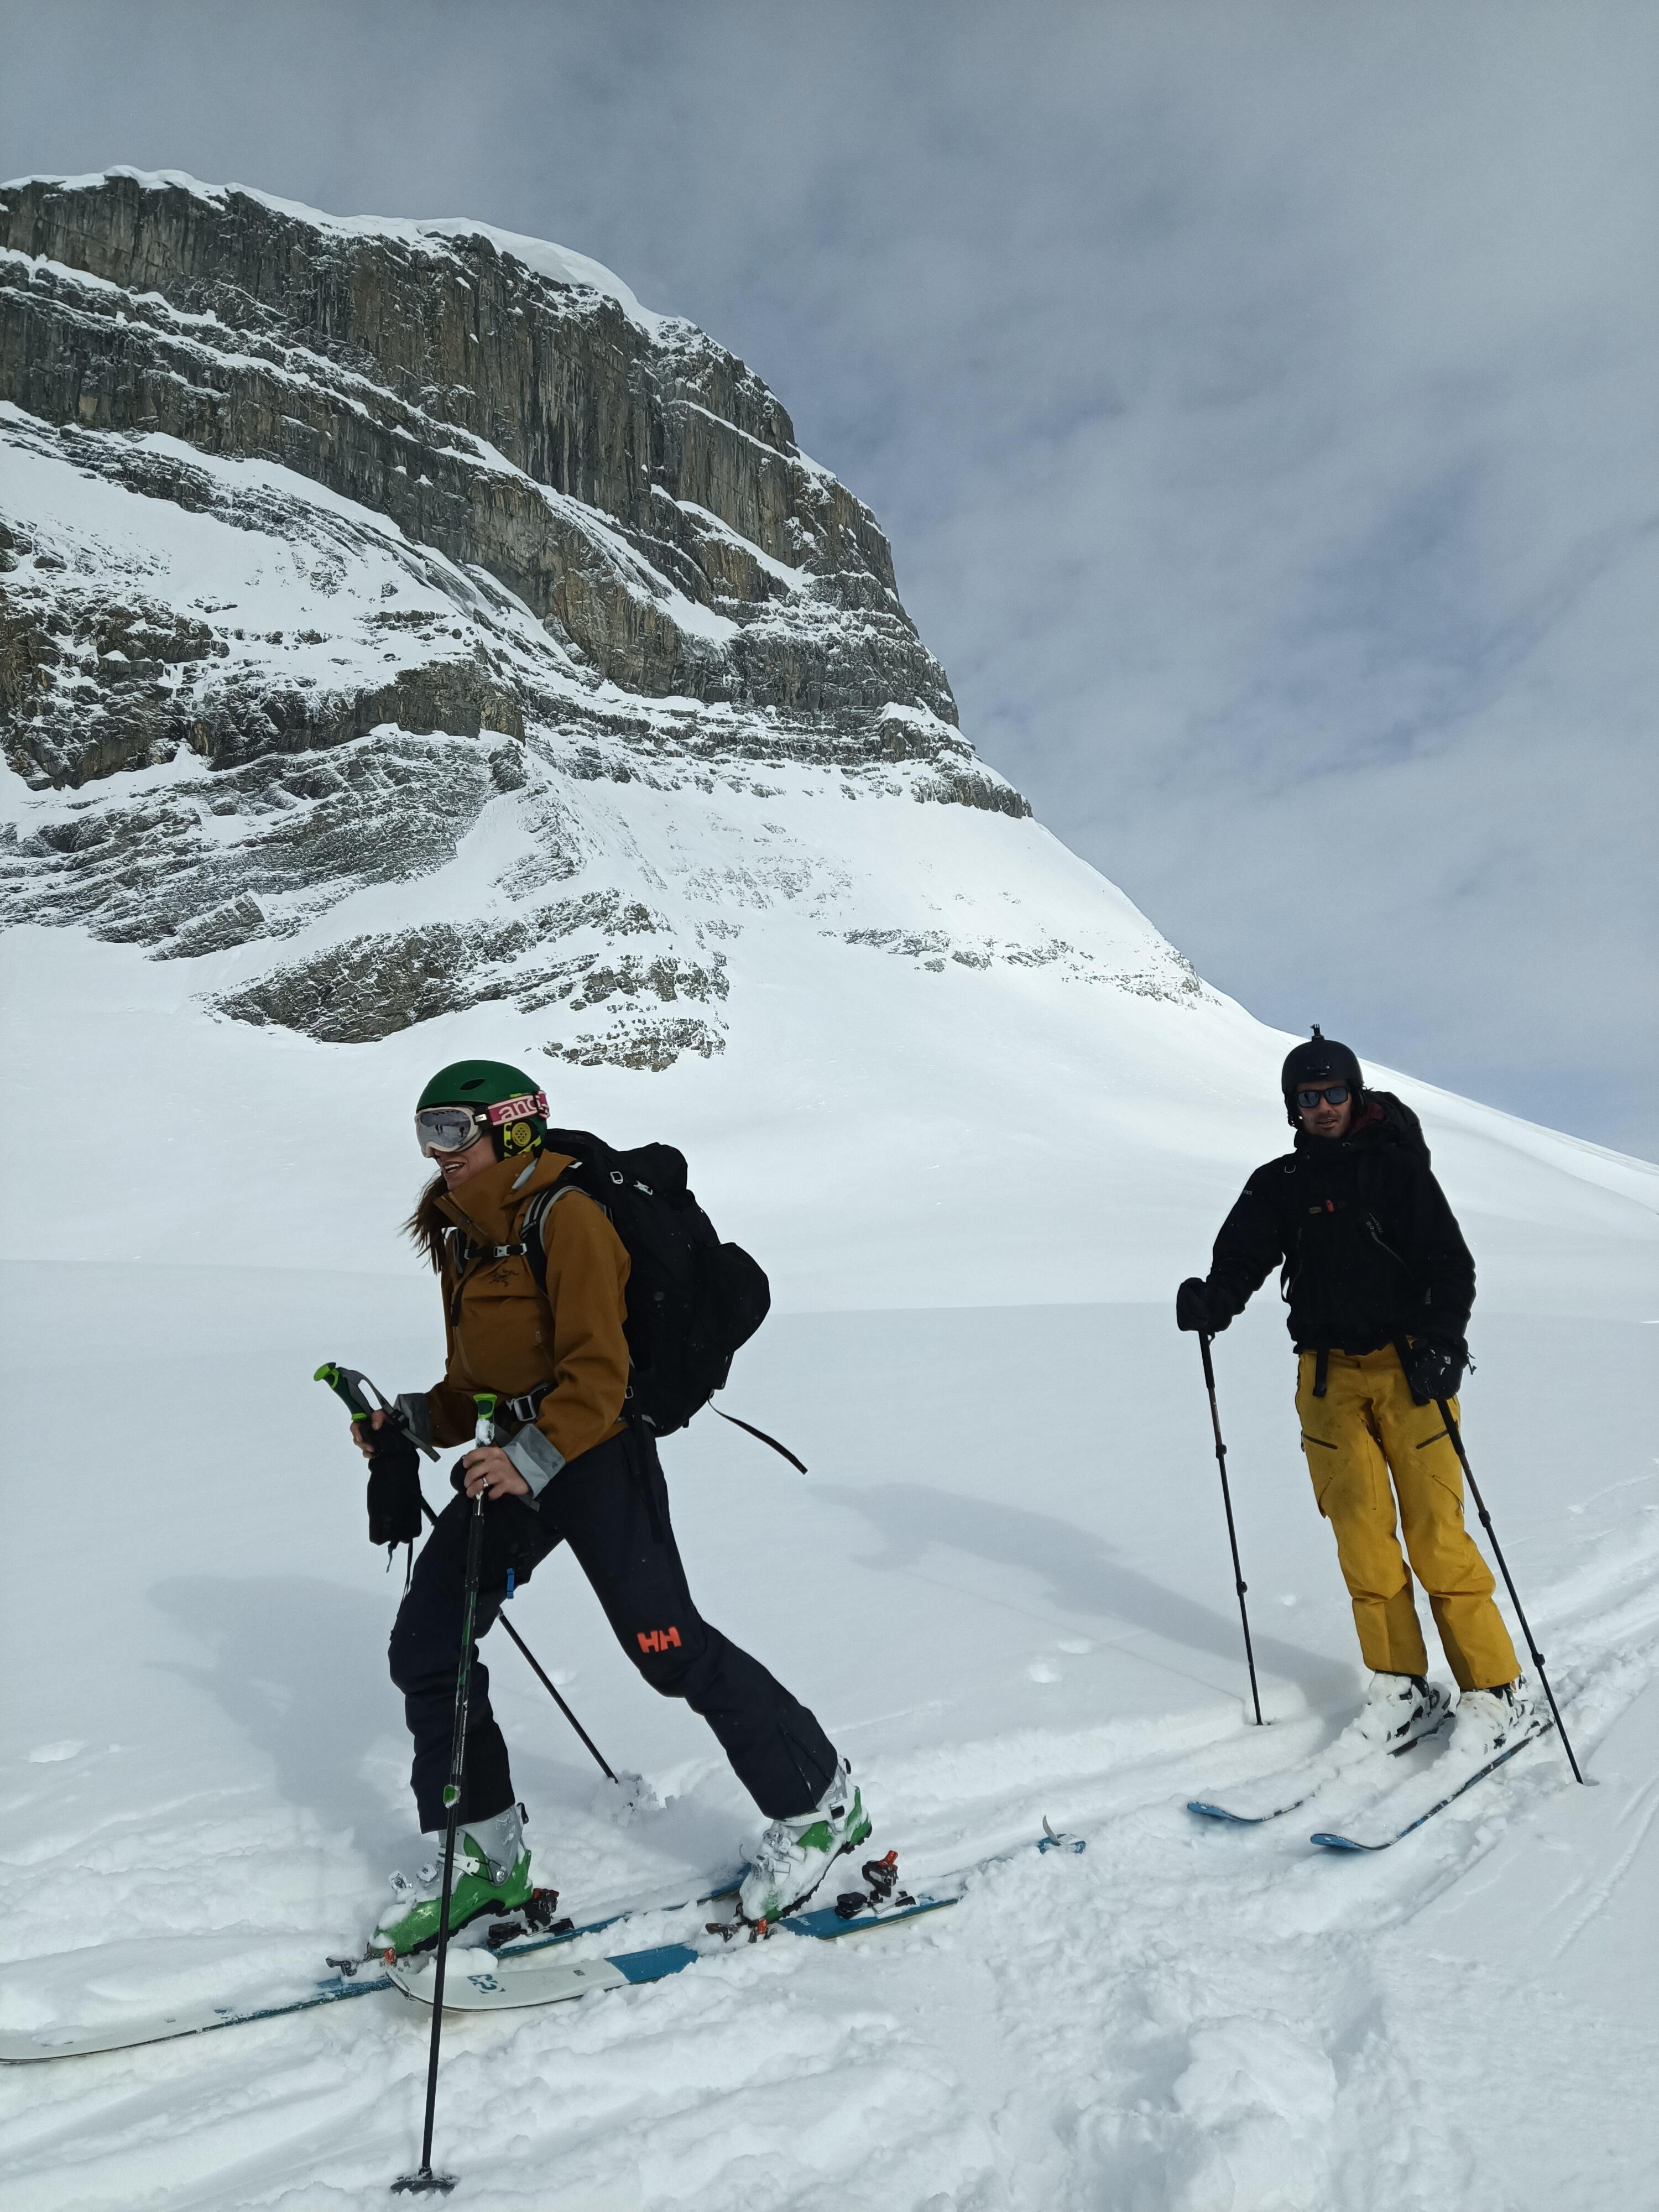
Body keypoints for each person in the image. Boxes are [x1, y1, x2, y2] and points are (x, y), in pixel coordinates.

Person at [354, 1058, 868, 1952]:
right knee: (428, 1646)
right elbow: (474, 1384)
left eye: (453, 1130)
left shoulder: (570, 1217)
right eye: (426, 1132)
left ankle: (820, 1802)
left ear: (512, 1126)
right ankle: (483, 1857)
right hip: (510, 1459)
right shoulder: (464, 1234)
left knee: (668, 1648)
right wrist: (406, 1422)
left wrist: (531, 1459)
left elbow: (599, 1374)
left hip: (595, 1455)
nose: (438, 1151)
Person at [1176, 1028, 1532, 1760]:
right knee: (1363, 1541)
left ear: (1355, 1094)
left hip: (1411, 1374)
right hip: (1327, 1381)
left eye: (1334, 1093)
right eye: (1308, 1097)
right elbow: (1242, 1257)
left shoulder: (1397, 1173)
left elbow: (1450, 1266)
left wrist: (1443, 1343)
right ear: (1292, 1107)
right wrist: (1214, 1301)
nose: (1324, 1107)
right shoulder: (1279, 1183)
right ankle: (1402, 1685)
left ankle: (1496, 1690)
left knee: (1437, 1538)